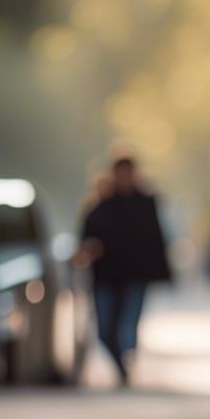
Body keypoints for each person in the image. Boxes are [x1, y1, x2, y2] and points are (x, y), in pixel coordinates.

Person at [79, 154, 172, 384]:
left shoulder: (145, 203)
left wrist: (163, 272)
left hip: (134, 276)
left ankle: (125, 362)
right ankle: (121, 365)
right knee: (104, 331)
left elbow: (157, 240)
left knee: (126, 328)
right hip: (105, 277)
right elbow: (86, 238)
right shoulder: (100, 205)